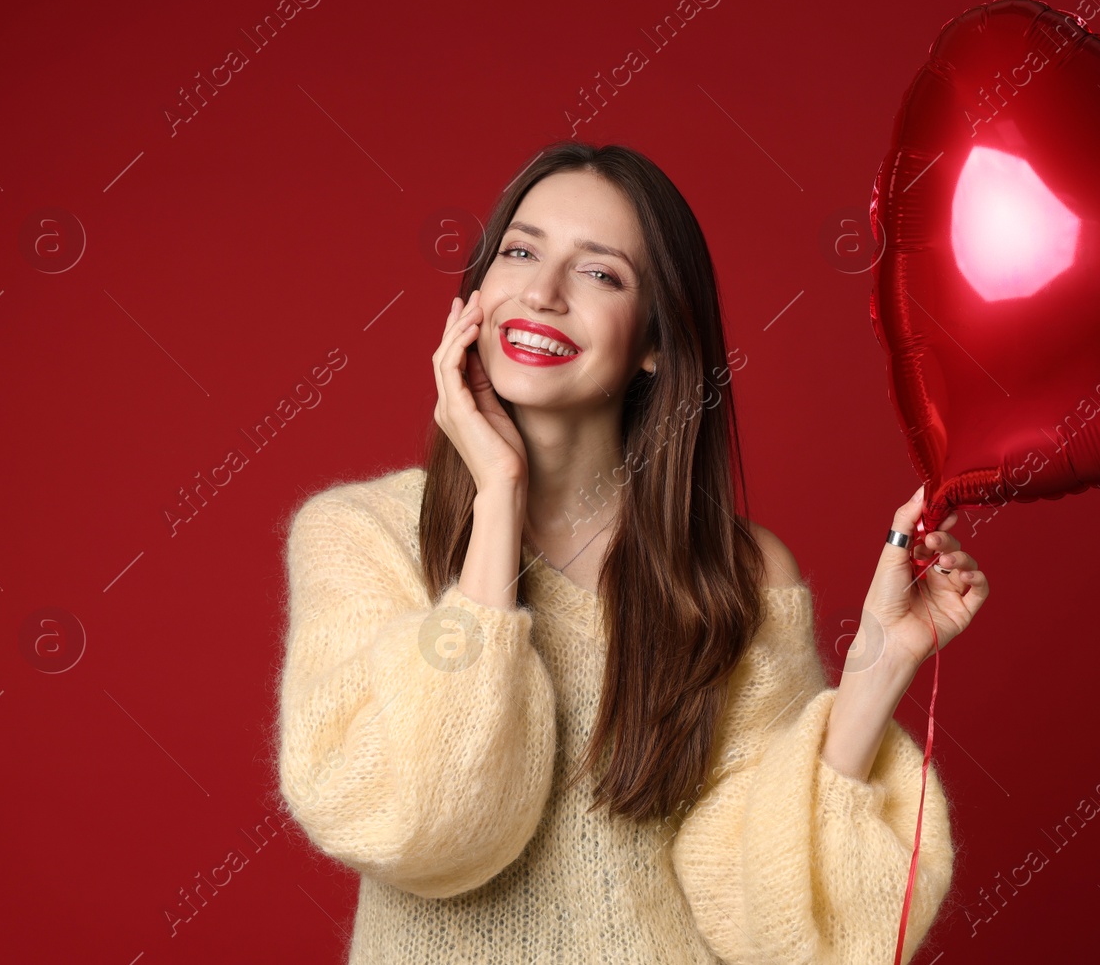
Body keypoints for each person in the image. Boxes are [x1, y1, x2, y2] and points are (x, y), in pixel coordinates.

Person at [276, 140, 991, 964]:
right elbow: (417, 823)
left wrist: (878, 658)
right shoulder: (362, 536)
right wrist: (499, 498)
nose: (541, 294)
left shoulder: (736, 577)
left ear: (656, 341)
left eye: (599, 274)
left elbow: (768, 920)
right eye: (520, 252)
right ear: (475, 295)